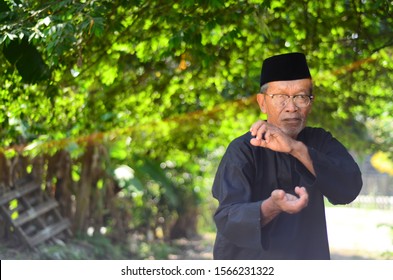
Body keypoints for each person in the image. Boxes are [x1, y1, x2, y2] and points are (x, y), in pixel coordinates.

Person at [212, 52, 363, 260]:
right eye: (281, 97)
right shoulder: (243, 150)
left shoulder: (320, 141)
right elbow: (228, 218)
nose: (291, 107)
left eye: (301, 97)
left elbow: (349, 187)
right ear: (262, 103)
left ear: (311, 102)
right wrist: (271, 207)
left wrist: (295, 148)